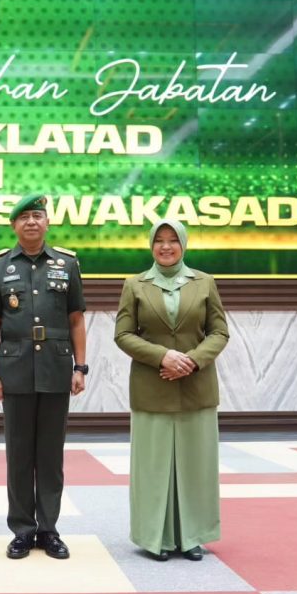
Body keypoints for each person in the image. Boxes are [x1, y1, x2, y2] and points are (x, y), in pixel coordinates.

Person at [113, 218, 229, 562]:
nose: (166, 246)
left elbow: (219, 332)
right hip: (152, 388)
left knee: (197, 466)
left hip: (196, 387)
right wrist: (163, 356)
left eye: (173, 240)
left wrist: (192, 360)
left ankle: (193, 536)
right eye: (159, 240)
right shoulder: (134, 285)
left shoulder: (204, 283)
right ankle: (155, 537)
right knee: (152, 468)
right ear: (151, 245)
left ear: (183, 244)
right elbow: (123, 334)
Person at [0, 194, 88, 560]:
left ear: (47, 223)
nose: (31, 222)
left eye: (37, 216)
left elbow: (76, 319)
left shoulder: (66, 263)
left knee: (51, 455)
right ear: (14, 225)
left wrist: (80, 366)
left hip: (56, 368)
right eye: (23, 217)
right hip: (15, 369)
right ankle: (23, 531)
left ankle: (49, 529)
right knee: (19, 455)